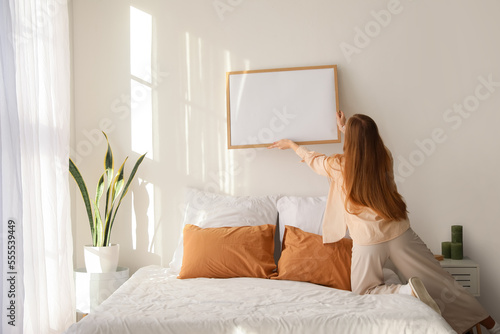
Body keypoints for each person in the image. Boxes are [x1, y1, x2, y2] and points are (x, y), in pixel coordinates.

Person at [268, 111, 499, 334]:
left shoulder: (339, 166)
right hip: (399, 233)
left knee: (364, 291)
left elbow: (315, 160)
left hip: (368, 242)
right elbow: (364, 145)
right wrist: (345, 128)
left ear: (351, 141)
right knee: (442, 282)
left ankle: (406, 292)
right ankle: (492, 325)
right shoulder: (385, 157)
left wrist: (292, 145)